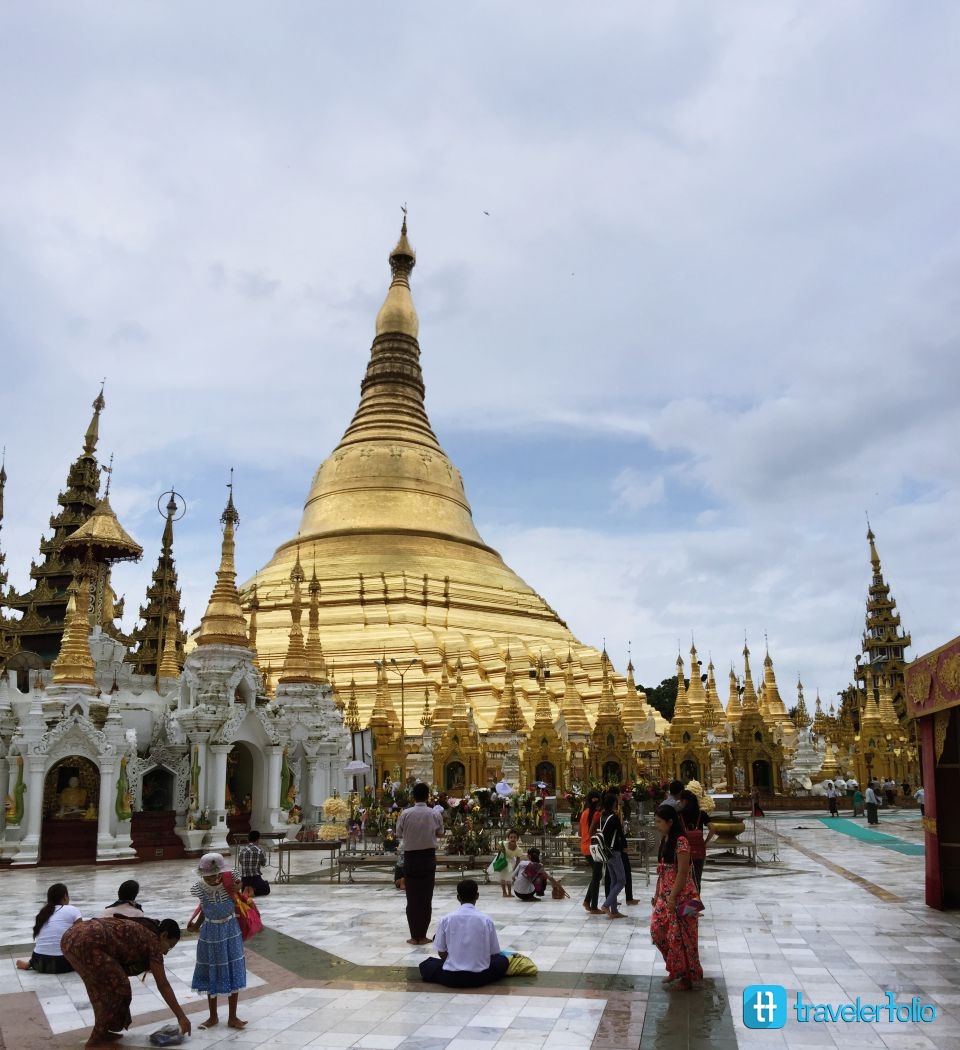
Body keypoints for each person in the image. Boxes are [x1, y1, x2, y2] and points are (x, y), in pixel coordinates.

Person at [61, 916, 191, 1049]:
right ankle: (95, 1041)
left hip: (70, 938)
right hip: (86, 943)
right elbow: (163, 984)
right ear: (163, 935)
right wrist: (181, 1017)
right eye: (169, 946)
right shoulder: (154, 942)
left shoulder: (147, 929)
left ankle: (102, 1032)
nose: (166, 953)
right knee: (120, 989)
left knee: (100, 988)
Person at [650, 803, 703, 990]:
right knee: (658, 931)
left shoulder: (681, 841)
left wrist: (672, 897)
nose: (656, 825)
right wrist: (657, 894)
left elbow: (682, 872)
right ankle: (675, 967)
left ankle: (686, 976)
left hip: (682, 897)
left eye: (659, 821)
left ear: (670, 822)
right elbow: (663, 871)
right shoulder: (666, 840)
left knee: (681, 938)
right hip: (665, 896)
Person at [192, 852, 247, 1031]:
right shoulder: (199, 888)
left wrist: (236, 885)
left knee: (233, 967)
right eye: (209, 876)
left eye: (217, 875)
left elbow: (240, 885)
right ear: (203, 876)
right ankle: (213, 1016)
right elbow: (204, 908)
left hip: (230, 929)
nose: (214, 880)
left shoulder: (229, 881)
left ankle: (233, 1016)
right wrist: (195, 924)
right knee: (211, 969)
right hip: (210, 933)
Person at [418, 879, 509, 988]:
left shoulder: (446, 919)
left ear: (458, 897)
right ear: (477, 896)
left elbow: (441, 952)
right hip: (480, 977)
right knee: (502, 961)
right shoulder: (486, 920)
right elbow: (493, 952)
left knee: (427, 964)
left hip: (451, 977)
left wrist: (456, 962)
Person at [395, 781, 444, 944]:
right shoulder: (434, 814)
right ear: (427, 796)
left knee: (412, 897)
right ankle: (422, 935)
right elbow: (440, 833)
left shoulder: (405, 814)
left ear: (413, 796)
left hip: (411, 858)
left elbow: (399, 833)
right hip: (428, 857)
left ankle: (413, 935)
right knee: (425, 897)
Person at [16, 883, 82, 973]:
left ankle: (29, 964)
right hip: (62, 963)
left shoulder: (43, 913)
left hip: (39, 961)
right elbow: (81, 935)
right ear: (65, 897)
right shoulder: (72, 909)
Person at [678, 789, 714, 893]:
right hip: (698, 851)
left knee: (683, 877)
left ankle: (685, 904)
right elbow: (713, 828)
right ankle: (695, 903)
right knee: (696, 879)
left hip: (683, 850)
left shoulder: (679, 814)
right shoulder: (701, 814)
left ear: (685, 801)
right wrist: (705, 842)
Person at [580, 790, 603, 915]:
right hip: (594, 847)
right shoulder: (597, 814)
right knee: (597, 876)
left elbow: (580, 832)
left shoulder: (584, 813)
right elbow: (591, 831)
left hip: (584, 846)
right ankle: (593, 906)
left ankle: (587, 901)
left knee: (597, 875)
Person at [237, 830, 271, 896]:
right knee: (266, 889)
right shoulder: (259, 850)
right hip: (255, 878)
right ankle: (253, 890)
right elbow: (263, 864)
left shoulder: (242, 850)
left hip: (244, 880)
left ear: (248, 839)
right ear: (258, 839)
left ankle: (247, 888)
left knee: (244, 886)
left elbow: (241, 862)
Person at [497, 829, 523, 897]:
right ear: (508, 838)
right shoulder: (504, 844)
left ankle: (509, 892)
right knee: (503, 877)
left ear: (517, 839)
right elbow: (498, 846)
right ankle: (504, 892)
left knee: (509, 878)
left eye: (514, 837)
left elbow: (518, 859)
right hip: (502, 862)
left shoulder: (518, 849)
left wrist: (516, 868)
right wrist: (499, 854)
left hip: (511, 863)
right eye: (511, 837)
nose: (513, 839)